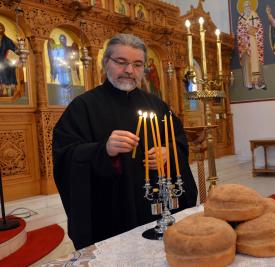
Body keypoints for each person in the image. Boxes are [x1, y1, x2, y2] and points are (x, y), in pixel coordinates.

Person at [52, 33, 198, 250]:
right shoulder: (83, 106)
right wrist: (104, 150)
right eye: (121, 62)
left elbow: (178, 140)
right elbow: (66, 155)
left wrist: (168, 153)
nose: (129, 70)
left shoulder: (156, 105)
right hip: (110, 212)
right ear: (105, 63)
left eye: (137, 64)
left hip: (156, 204)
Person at [237, 0, 266, 90]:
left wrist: (252, 30)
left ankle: (257, 82)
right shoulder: (240, 17)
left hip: (254, 42)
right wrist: (245, 32)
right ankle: (249, 83)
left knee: (255, 62)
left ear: (251, 6)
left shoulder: (254, 14)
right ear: (243, 8)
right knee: (247, 62)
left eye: (248, 6)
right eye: (245, 6)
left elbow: (260, 28)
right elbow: (239, 31)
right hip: (245, 44)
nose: (247, 7)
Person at [0, 22, 18, 97]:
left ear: (3, 29)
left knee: (5, 73)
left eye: (0, 28)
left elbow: (14, 50)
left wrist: (9, 53)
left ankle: (6, 90)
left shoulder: (7, 40)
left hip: (6, 62)